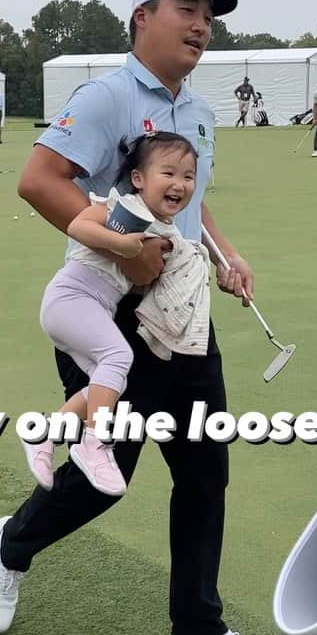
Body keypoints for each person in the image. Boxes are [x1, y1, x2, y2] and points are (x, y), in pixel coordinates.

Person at [0, 0, 289, 635]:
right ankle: (12, 545)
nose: (202, 26)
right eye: (188, 9)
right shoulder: (108, 97)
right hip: (111, 313)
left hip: (185, 316)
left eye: (209, 15)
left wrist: (226, 254)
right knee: (104, 475)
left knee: (206, 468)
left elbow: (189, 200)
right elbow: (39, 180)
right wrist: (126, 252)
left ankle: (197, 632)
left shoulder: (199, 113)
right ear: (143, 17)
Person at [22, 131, 206, 497]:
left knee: (108, 382)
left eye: (188, 177)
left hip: (93, 309)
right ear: (138, 179)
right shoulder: (121, 207)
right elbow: (78, 226)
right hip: (71, 298)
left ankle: (46, 434)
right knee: (119, 355)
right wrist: (122, 245)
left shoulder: (166, 231)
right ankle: (94, 444)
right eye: (168, 174)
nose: (180, 185)